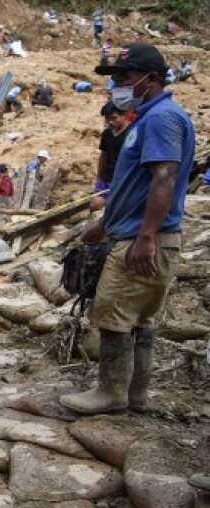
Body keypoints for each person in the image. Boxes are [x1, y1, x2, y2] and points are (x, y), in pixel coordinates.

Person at [62, 43, 195, 416]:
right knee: (139, 317)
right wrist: (105, 225)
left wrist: (146, 237)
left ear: (150, 79)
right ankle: (134, 394)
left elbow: (164, 179)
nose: (116, 85)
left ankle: (111, 392)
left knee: (111, 313)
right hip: (136, 232)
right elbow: (135, 187)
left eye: (124, 78)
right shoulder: (148, 118)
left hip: (142, 239)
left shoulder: (161, 119)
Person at [92, 102, 132, 211]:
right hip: (107, 179)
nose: (110, 122)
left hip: (124, 181)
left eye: (114, 118)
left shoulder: (132, 134)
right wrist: (99, 177)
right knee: (95, 206)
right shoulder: (107, 134)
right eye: (107, 119)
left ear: (123, 115)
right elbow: (103, 155)